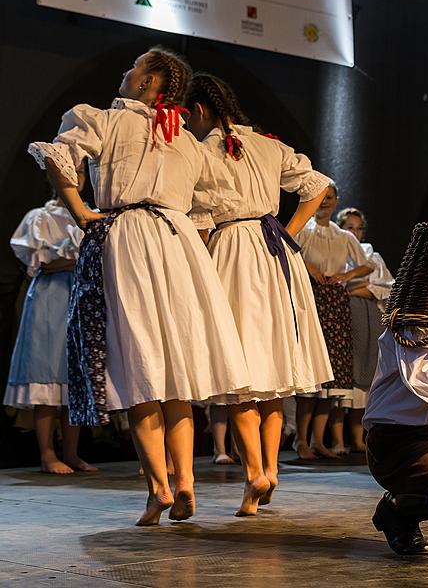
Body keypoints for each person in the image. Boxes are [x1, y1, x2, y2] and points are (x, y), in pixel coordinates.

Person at [27, 46, 250, 525]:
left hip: (129, 235)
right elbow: (209, 205)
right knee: (176, 373)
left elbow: (57, 156)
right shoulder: (187, 141)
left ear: (149, 83)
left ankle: (159, 489)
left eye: (134, 68)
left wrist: (82, 211)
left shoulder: (106, 121)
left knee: (140, 366)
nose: (125, 73)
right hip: (179, 242)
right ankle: (186, 481)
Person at [182, 72, 332, 514]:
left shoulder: (202, 151)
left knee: (242, 374)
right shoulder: (268, 144)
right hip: (274, 255)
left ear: (200, 111)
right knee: (271, 371)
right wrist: (288, 230)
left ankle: (255, 475)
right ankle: (272, 470)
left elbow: (200, 222)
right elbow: (318, 185)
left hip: (233, 250)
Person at [4, 197, 96, 474]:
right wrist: (72, 262)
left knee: (72, 377)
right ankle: (47, 454)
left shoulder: (88, 216)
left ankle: (71, 453)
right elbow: (40, 265)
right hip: (49, 297)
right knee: (46, 373)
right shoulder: (40, 217)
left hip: (77, 295)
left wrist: (71, 262)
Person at [294, 186, 373, 457]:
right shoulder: (304, 230)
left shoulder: (342, 236)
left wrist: (345, 276)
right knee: (313, 370)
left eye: (330, 197)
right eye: (321, 197)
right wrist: (308, 266)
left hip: (336, 301)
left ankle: (318, 440)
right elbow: (288, 251)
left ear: (336, 200)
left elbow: (367, 265)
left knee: (333, 372)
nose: (325, 202)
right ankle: (301, 440)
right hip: (312, 298)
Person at [336, 207, 394, 452]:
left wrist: (353, 290)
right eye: (350, 228)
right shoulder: (336, 253)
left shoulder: (370, 254)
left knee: (366, 376)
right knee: (342, 378)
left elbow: (385, 287)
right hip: (342, 317)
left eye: (359, 228)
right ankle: (337, 440)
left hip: (369, 318)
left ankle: (360, 438)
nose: (356, 233)